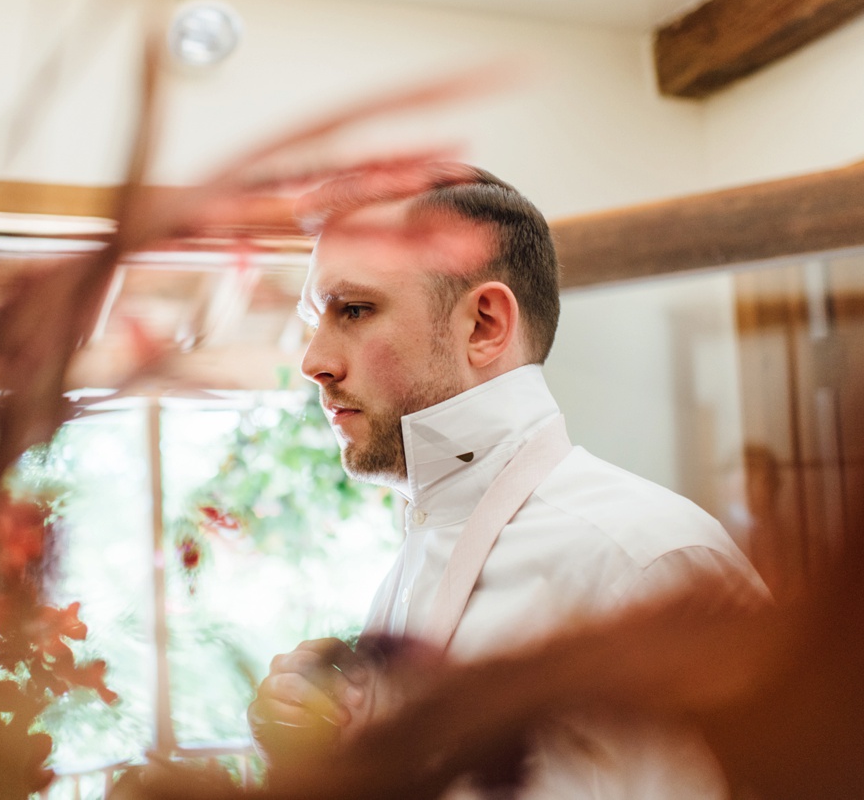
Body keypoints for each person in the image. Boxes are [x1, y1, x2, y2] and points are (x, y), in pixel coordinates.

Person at [248, 164, 768, 797]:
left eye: (354, 309)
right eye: (315, 319)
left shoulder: (644, 557)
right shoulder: (414, 560)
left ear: (485, 324)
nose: (313, 362)